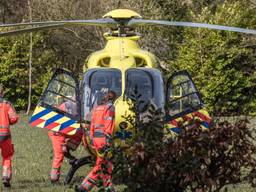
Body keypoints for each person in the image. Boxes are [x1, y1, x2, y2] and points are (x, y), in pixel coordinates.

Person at [75, 90, 117, 192]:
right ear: (113, 99)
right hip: (104, 139)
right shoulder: (110, 107)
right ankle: (83, 188)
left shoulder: (97, 108)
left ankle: (109, 188)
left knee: (106, 164)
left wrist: (92, 139)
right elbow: (109, 123)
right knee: (100, 165)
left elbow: (92, 125)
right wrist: (108, 140)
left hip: (96, 139)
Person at [48, 96, 83, 183]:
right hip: (57, 133)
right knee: (59, 156)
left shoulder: (74, 106)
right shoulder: (67, 106)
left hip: (65, 130)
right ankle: (54, 179)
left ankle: (68, 151)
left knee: (80, 132)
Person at [0, 84, 19, 187]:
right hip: (5, 136)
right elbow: (14, 118)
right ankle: (6, 177)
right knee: (7, 156)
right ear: (2, 93)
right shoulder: (7, 104)